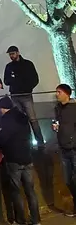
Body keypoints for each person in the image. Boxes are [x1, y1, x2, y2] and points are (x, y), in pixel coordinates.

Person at [0, 96, 40, 225]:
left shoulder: (6, 119)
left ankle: (21, 220)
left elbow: (2, 139)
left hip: (13, 159)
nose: (0, 111)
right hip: (27, 157)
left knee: (16, 191)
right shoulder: (23, 116)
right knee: (30, 191)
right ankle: (36, 220)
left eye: (0, 109)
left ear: (4, 108)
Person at [3, 46, 43, 147]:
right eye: (10, 54)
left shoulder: (28, 64)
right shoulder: (9, 66)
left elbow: (35, 79)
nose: (11, 56)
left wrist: (28, 88)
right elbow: (6, 81)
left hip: (25, 95)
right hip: (16, 96)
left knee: (32, 119)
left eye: (13, 54)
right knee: (21, 120)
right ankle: (26, 142)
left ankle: (39, 142)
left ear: (18, 53)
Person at [54, 83, 76, 215]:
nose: (57, 94)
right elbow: (56, 121)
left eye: (59, 92)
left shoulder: (74, 108)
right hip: (63, 149)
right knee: (68, 180)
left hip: (74, 148)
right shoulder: (57, 108)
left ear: (66, 94)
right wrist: (55, 126)